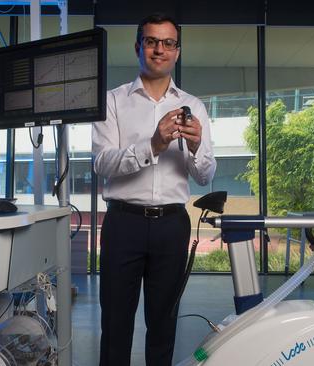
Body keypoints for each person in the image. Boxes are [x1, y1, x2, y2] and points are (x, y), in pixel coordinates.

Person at [92, 13, 216, 366]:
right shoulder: (112, 101)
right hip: (123, 225)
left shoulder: (196, 107)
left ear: (177, 51)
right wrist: (154, 145)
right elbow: (102, 163)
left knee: (163, 326)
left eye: (168, 43)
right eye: (151, 41)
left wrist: (194, 148)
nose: (159, 49)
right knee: (116, 325)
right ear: (138, 47)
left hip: (171, 225)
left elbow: (205, 175)